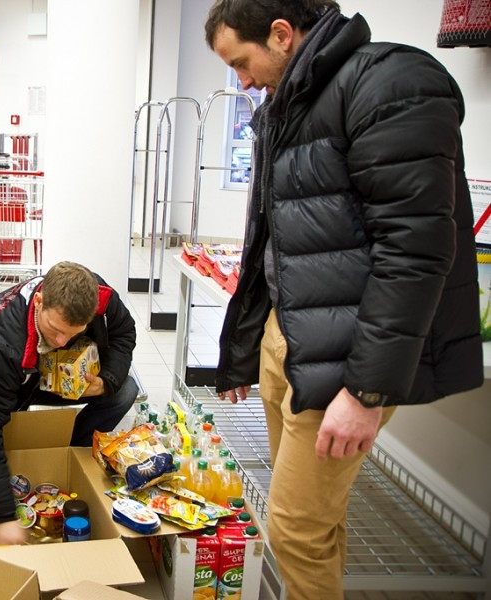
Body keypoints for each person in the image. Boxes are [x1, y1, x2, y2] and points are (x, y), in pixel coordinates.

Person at [204, 1, 483, 597]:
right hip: (292, 340)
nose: (243, 82)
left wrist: (366, 391)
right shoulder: (288, 105)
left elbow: (415, 251)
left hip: (344, 358)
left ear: (282, 34)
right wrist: (247, 347)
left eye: (242, 63)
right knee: (312, 523)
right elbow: (274, 240)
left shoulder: (390, 83)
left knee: (295, 530)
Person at [0, 261, 138, 545]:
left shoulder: (99, 295)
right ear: (38, 301)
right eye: (54, 329)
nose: (62, 341)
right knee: (3, 433)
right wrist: (5, 515)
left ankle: (71, 453)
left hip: (52, 375)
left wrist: (106, 381)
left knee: (124, 390)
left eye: (74, 332)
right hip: (8, 382)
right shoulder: (1, 343)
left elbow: (124, 331)